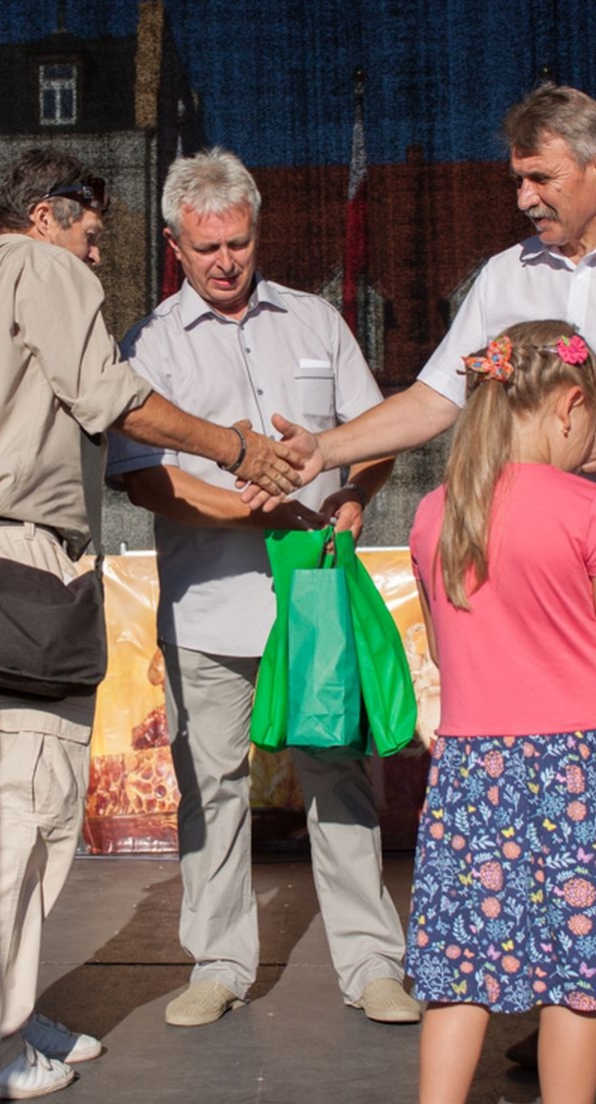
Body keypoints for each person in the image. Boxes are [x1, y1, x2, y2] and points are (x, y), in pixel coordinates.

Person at [0, 146, 308, 1102]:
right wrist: (234, 444)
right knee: (21, 813)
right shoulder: (41, 268)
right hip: (8, 562)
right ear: (45, 213)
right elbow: (110, 395)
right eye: (89, 229)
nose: (94, 250)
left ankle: (1, 1006)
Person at [247, 82, 596, 1063]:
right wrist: (324, 449)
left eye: (537, 177)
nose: (521, 198)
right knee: (559, 786)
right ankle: (579, 1006)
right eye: (514, 179)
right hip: (535, 548)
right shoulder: (506, 278)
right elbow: (433, 400)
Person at [107, 147, 420, 1029]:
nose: (224, 262)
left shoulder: (317, 321)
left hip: (313, 600)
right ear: (174, 244)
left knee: (338, 777)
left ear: (256, 231)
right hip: (208, 610)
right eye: (205, 248)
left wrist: (352, 496)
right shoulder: (148, 343)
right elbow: (144, 479)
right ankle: (216, 962)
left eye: (238, 243)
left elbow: (372, 433)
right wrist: (261, 513)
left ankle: (371, 966)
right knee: (211, 788)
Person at [396, 320, 596, 1104]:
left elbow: (448, 651)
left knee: (459, 970)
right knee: (575, 980)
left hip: (472, 770)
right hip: (582, 768)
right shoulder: (589, 509)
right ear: (569, 408)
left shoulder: (434, 513)